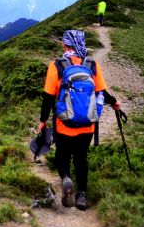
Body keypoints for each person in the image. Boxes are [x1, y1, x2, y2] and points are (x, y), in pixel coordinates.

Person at [38, 30, 121, 210]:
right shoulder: (92, 64)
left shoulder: (57, 66)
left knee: (62, 155)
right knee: (81, 158)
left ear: (65, 45)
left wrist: (43, 121)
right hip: (87, 125)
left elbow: (48, 97)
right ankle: (82, 195)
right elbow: (102, 92)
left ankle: (67, 179)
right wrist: (114, 103)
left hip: (64, 124)